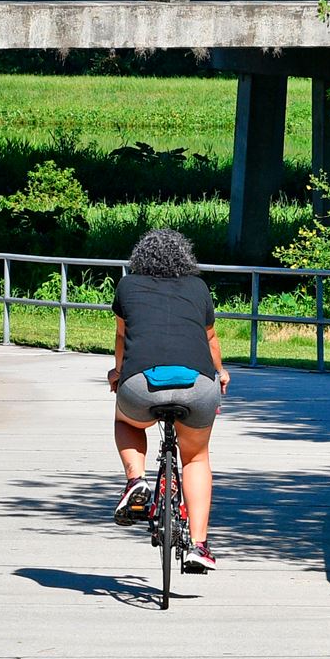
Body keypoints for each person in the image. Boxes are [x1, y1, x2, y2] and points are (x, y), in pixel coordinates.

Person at [106, 227, 229, 572]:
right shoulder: (198, 287)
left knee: (126, 420)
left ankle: (136, 480)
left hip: (141, 384)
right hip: (197, 386)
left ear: (140, 258)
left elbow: (123, 336)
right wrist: (221, 373)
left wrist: (118, 373)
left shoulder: (128, 286)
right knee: (196, 457)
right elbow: (211, 340)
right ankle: (199, 545)